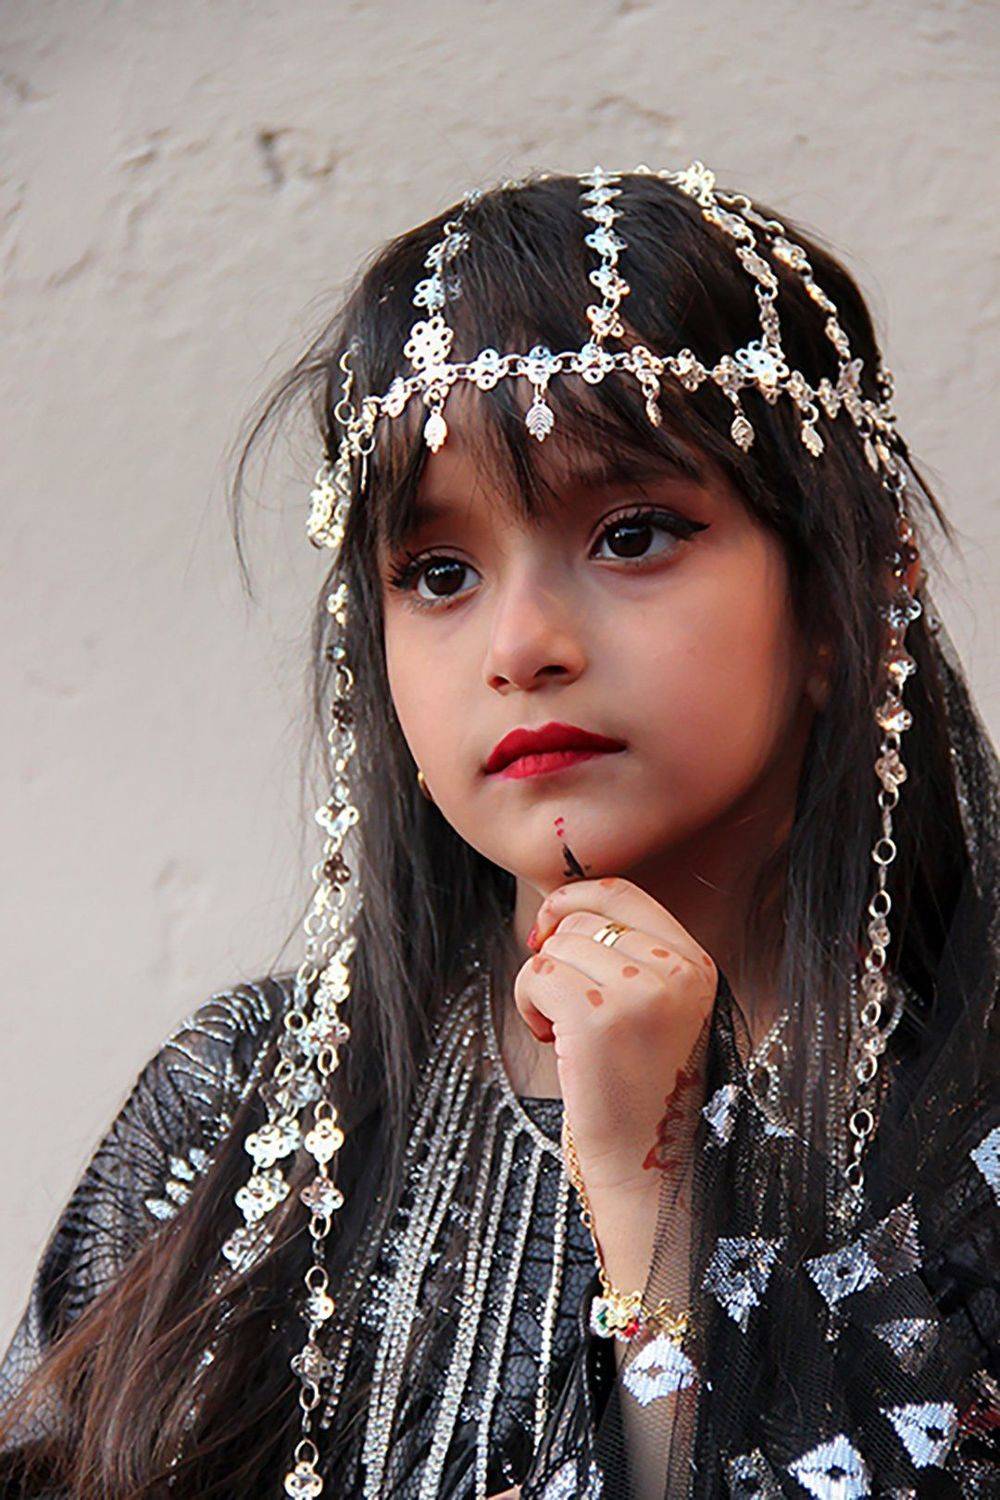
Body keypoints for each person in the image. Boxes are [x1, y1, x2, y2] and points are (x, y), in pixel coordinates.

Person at [1, 162, 997, 1498]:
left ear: (847, 593)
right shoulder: (240, 1108)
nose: (520, 645)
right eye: (439, 573)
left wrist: (654, 1214)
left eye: (632, 536)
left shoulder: (970, 1140)